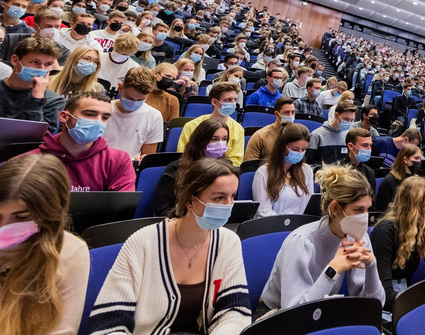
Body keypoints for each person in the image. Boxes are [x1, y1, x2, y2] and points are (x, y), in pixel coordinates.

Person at [88, 158, 251, 333]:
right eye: (219, 198)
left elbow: (235, 311)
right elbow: (109, 324)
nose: (228, 205)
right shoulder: (143, 242)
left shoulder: (228, 242)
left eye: (232, 196)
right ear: (190, 200)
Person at [258, 164, 384, 315]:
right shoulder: (301, 242)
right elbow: (294, 316)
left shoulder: (358, 236)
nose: (364, 218)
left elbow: (373, 306)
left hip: (319, 312)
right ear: (335, 209)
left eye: (367, 209)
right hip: (275, 316)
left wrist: (371, 266)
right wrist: (333, 270)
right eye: (358, 210)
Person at [0, 154, 90, 335]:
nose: (4, 226)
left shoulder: (70, 254)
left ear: (47, 215)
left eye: (21, 217)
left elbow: (62, 331)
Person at [30, 91, 135, 191]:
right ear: (64, 116)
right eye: (89, 114)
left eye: (105, 117)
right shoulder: (30, 160)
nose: (98, 121)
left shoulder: (118, 161)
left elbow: (122, 208)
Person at [372, 177, 425, 310]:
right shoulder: (384, 232)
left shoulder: (424, 229)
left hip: (404, 299)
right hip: (383, 307)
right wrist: (421, 303)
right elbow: (384, 295)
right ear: (417, 205)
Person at [154, 118, 230, 217]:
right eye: (214, 139)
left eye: (224, 139)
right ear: (200, 141)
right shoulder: (176, 169)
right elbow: (163, 211)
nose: (220, 144)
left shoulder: (227, 169)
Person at [0, 36, 65, 131]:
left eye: (48, 64)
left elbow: (37, 138)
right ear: (15, 60)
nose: (42, 69)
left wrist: (37, 100)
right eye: (35, 62)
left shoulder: (54, 100)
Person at [252, 123, 314, 217]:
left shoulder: (306, 170)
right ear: (282, 146)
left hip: (299, 227)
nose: (300, 153)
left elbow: (308, 208)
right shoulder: (263, 173)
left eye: (304, 149)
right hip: (272, 227)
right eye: (295, 149)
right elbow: (263, 212)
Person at [103, 67, 163, 160]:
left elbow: (147, 156)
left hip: (130, 166)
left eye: (140, 99)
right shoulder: (102, 110)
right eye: (129, 98)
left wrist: (143, 159)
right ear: (120, 88)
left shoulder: (154, 116)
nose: (134, 102)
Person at [0, 8, 68, 64]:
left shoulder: (63, 51)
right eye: (48, 26)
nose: (53, 30)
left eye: (57, 27)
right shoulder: (10, 39)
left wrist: (51, 47)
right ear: (35, 26)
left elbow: (56, 75)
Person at [243, 97, 296, 161]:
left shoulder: (297, 135)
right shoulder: (260, 136)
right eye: (286, 112)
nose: (290, 115)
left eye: (293, 112)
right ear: (276, 114)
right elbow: (250, 166)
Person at [375, 144, 422, 213]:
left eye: (420, 158)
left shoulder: (417, 180)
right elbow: (381, 210)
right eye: (416, 158)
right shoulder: (389, 181)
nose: (419, 161)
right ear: (405, 159)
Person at [341, 127, 377, 194]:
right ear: (351, 146)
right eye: (365, 145)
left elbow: (372, 201)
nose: (369, 149)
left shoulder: (369, 172)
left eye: (370, 145)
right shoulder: (337, 171)